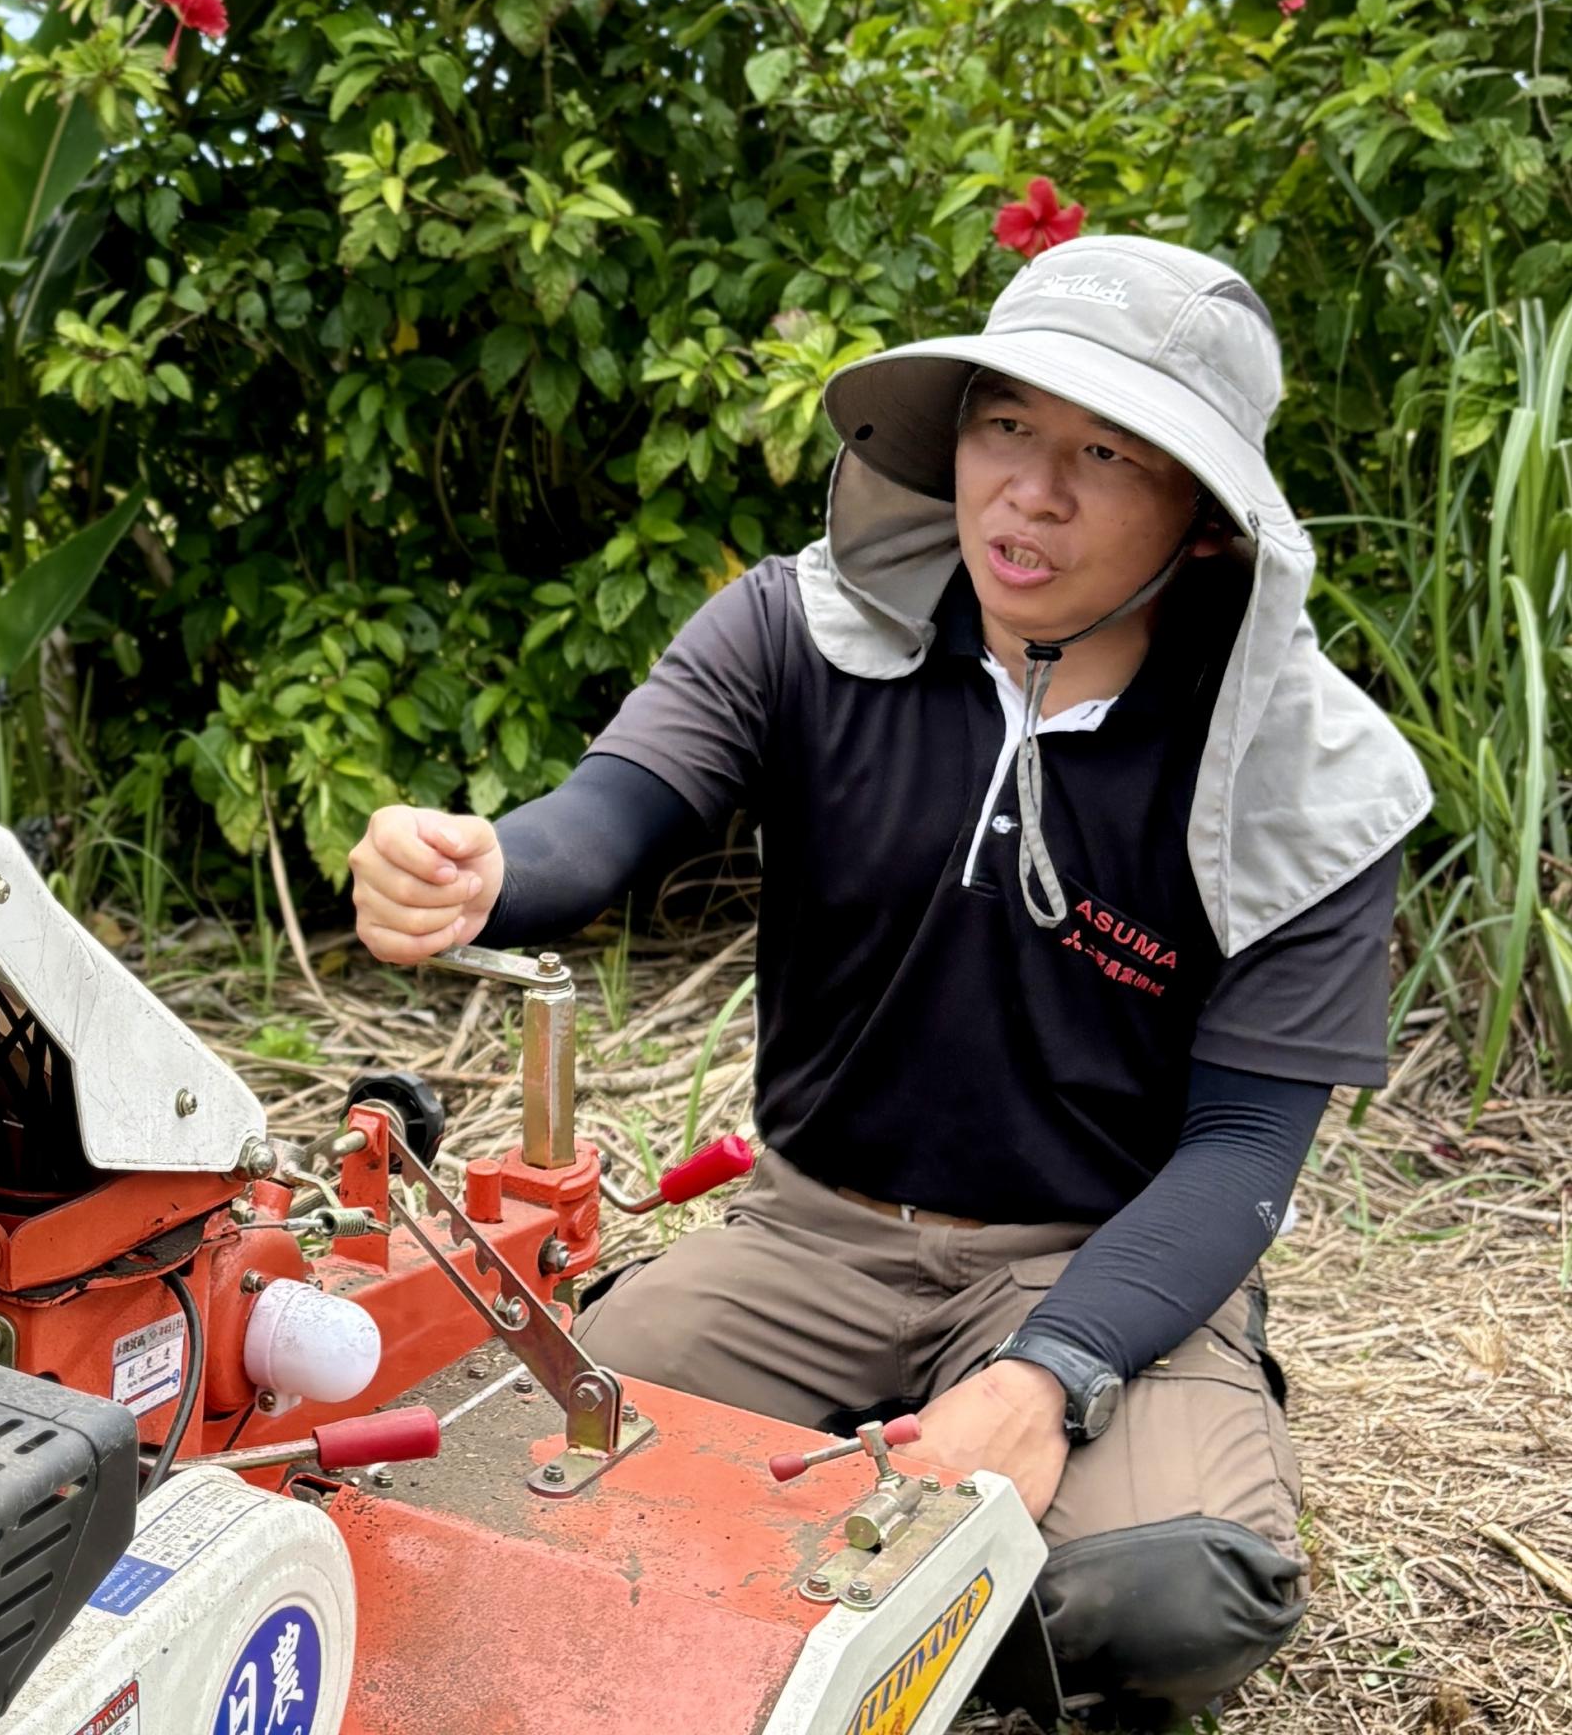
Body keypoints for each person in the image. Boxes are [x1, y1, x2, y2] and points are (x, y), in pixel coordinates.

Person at [347, 237, 1430, 1728]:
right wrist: (482, 867)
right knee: (501, 1468)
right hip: (812, 1234)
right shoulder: (800, 628)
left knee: (1173, 1599)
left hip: (1089, 1253)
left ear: (1205, 516)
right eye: (1006, 427)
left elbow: (1245, 1152)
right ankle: (846, 1511)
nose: (1031, 493)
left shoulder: (1310, 774)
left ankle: (937, 1543)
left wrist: (1048, 1374)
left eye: (1107, 452)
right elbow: (609, 814)